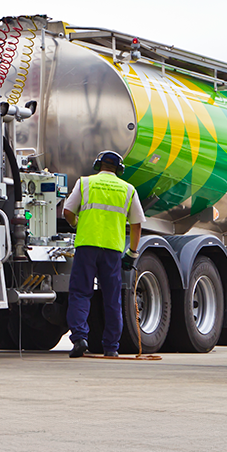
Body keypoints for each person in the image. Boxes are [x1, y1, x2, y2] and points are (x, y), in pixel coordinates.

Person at [63, 149, 144, 358]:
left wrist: (76, 223)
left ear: (98, 166)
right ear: (119, 170)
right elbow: (136, 225)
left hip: (87, 246)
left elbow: (68, 211)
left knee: (81, 293)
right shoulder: (128, 189)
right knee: (112, 298)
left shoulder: (85, 183)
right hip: (112, 250)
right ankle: (111, 347)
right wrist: (132, 253)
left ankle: (80, 338)